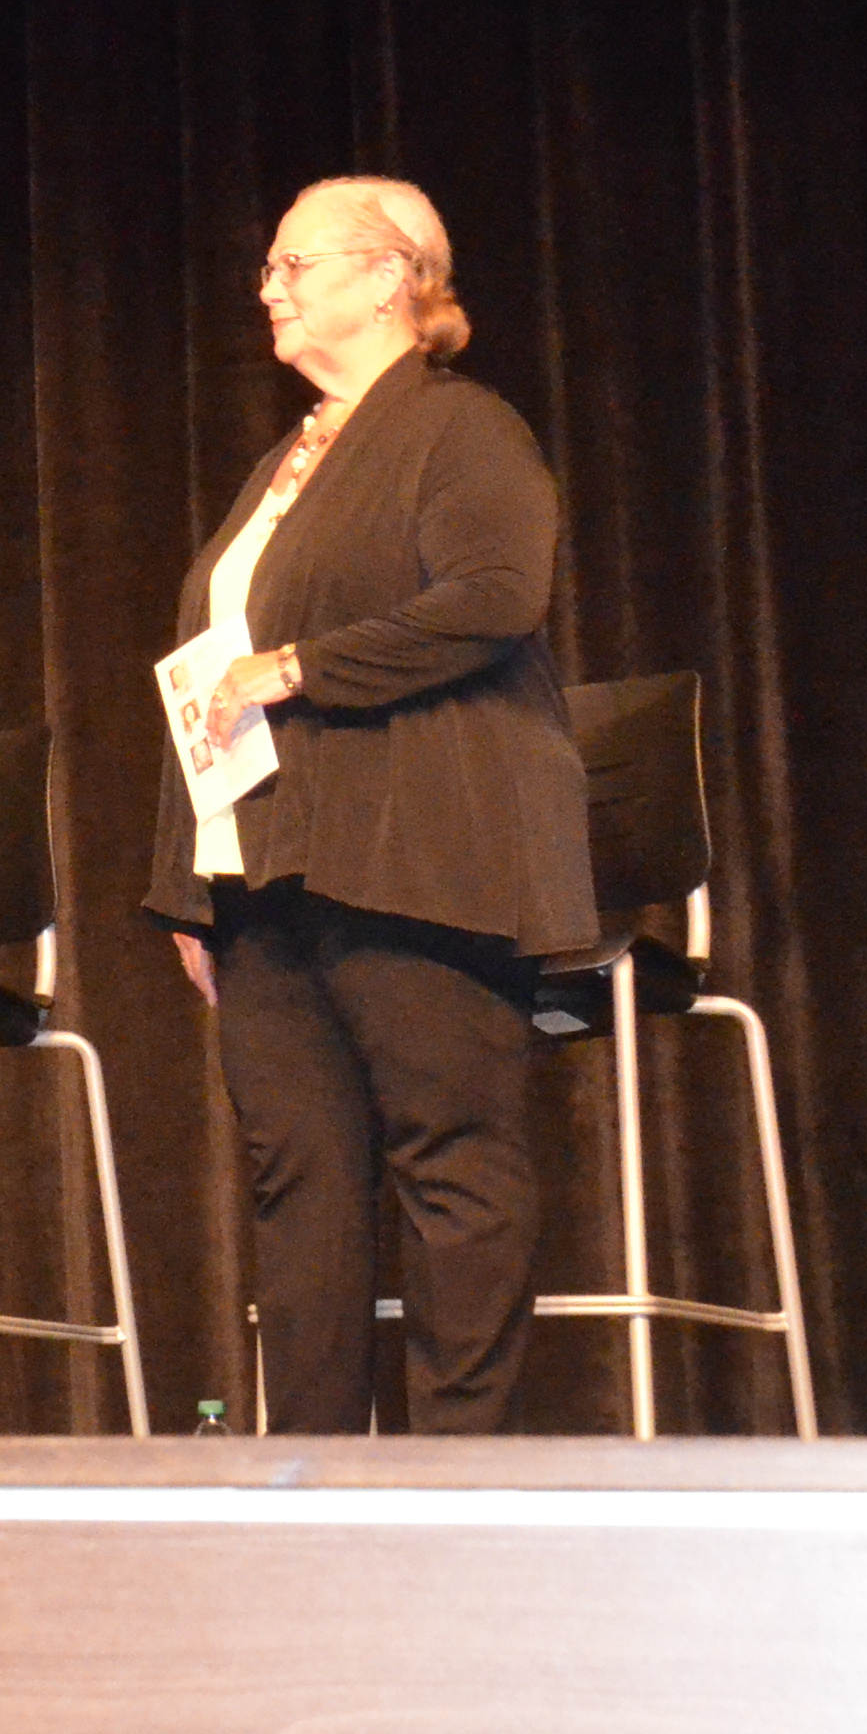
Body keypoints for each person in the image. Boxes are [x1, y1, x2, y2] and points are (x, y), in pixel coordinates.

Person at [151, 176, 596, 1436]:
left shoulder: (459, 429)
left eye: (295, 263)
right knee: (301, 1188)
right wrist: (193, 881)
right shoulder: (288, 457)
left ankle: (454, 1476)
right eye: (270, 266)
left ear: (392, 274)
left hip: (419, 853)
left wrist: (299, 670)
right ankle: (306, 1483)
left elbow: (494, 594)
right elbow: (205, 677)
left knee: (450, 1163)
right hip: (268, 875)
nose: (267, 286)